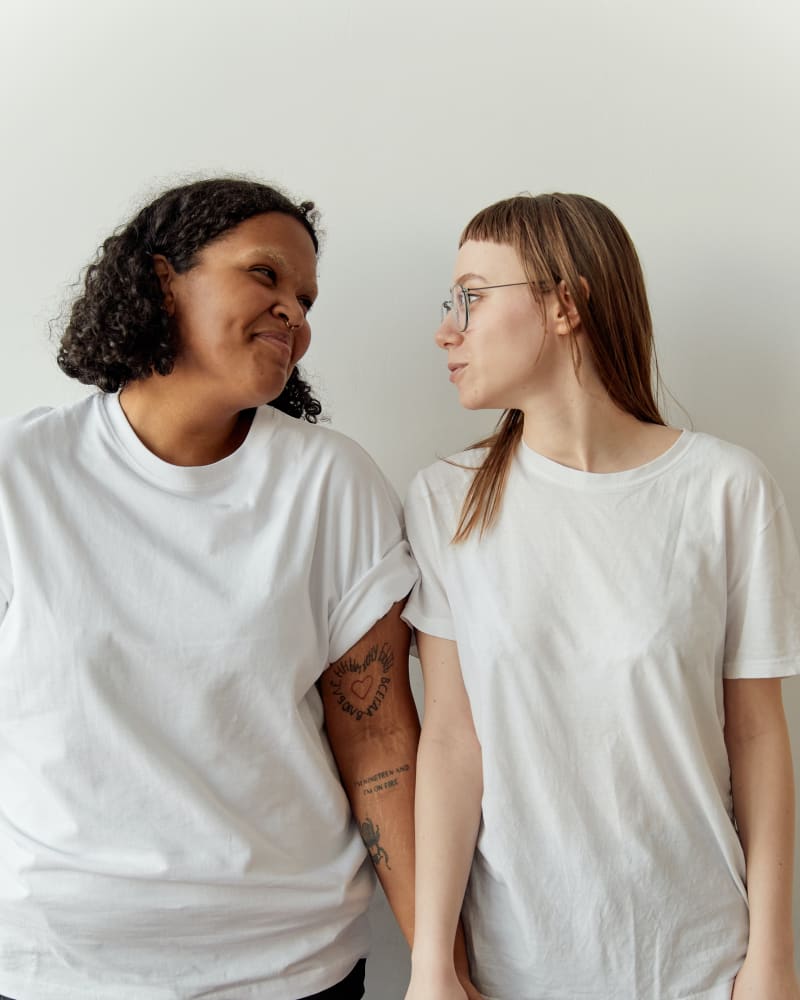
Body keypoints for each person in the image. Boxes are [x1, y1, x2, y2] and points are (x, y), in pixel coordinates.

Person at [0, 178, 422, 1000]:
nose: (293, 313)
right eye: (265, 276)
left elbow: (379, 747)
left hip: (288, 965)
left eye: (304, 298)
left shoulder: (330, 485)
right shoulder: (22, 478)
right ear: (162, 281)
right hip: (56, 964)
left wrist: (440, 966)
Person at [402, 193, 800, 1000]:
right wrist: (430, 965)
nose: (448, 328)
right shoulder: (446, 500)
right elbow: (449, 741)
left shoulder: (724, 490)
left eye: (472, 298)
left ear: (564, 304)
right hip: (520, 963)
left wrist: (774, 960)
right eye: (451, 304)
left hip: (699, 959)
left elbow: (758, 735)